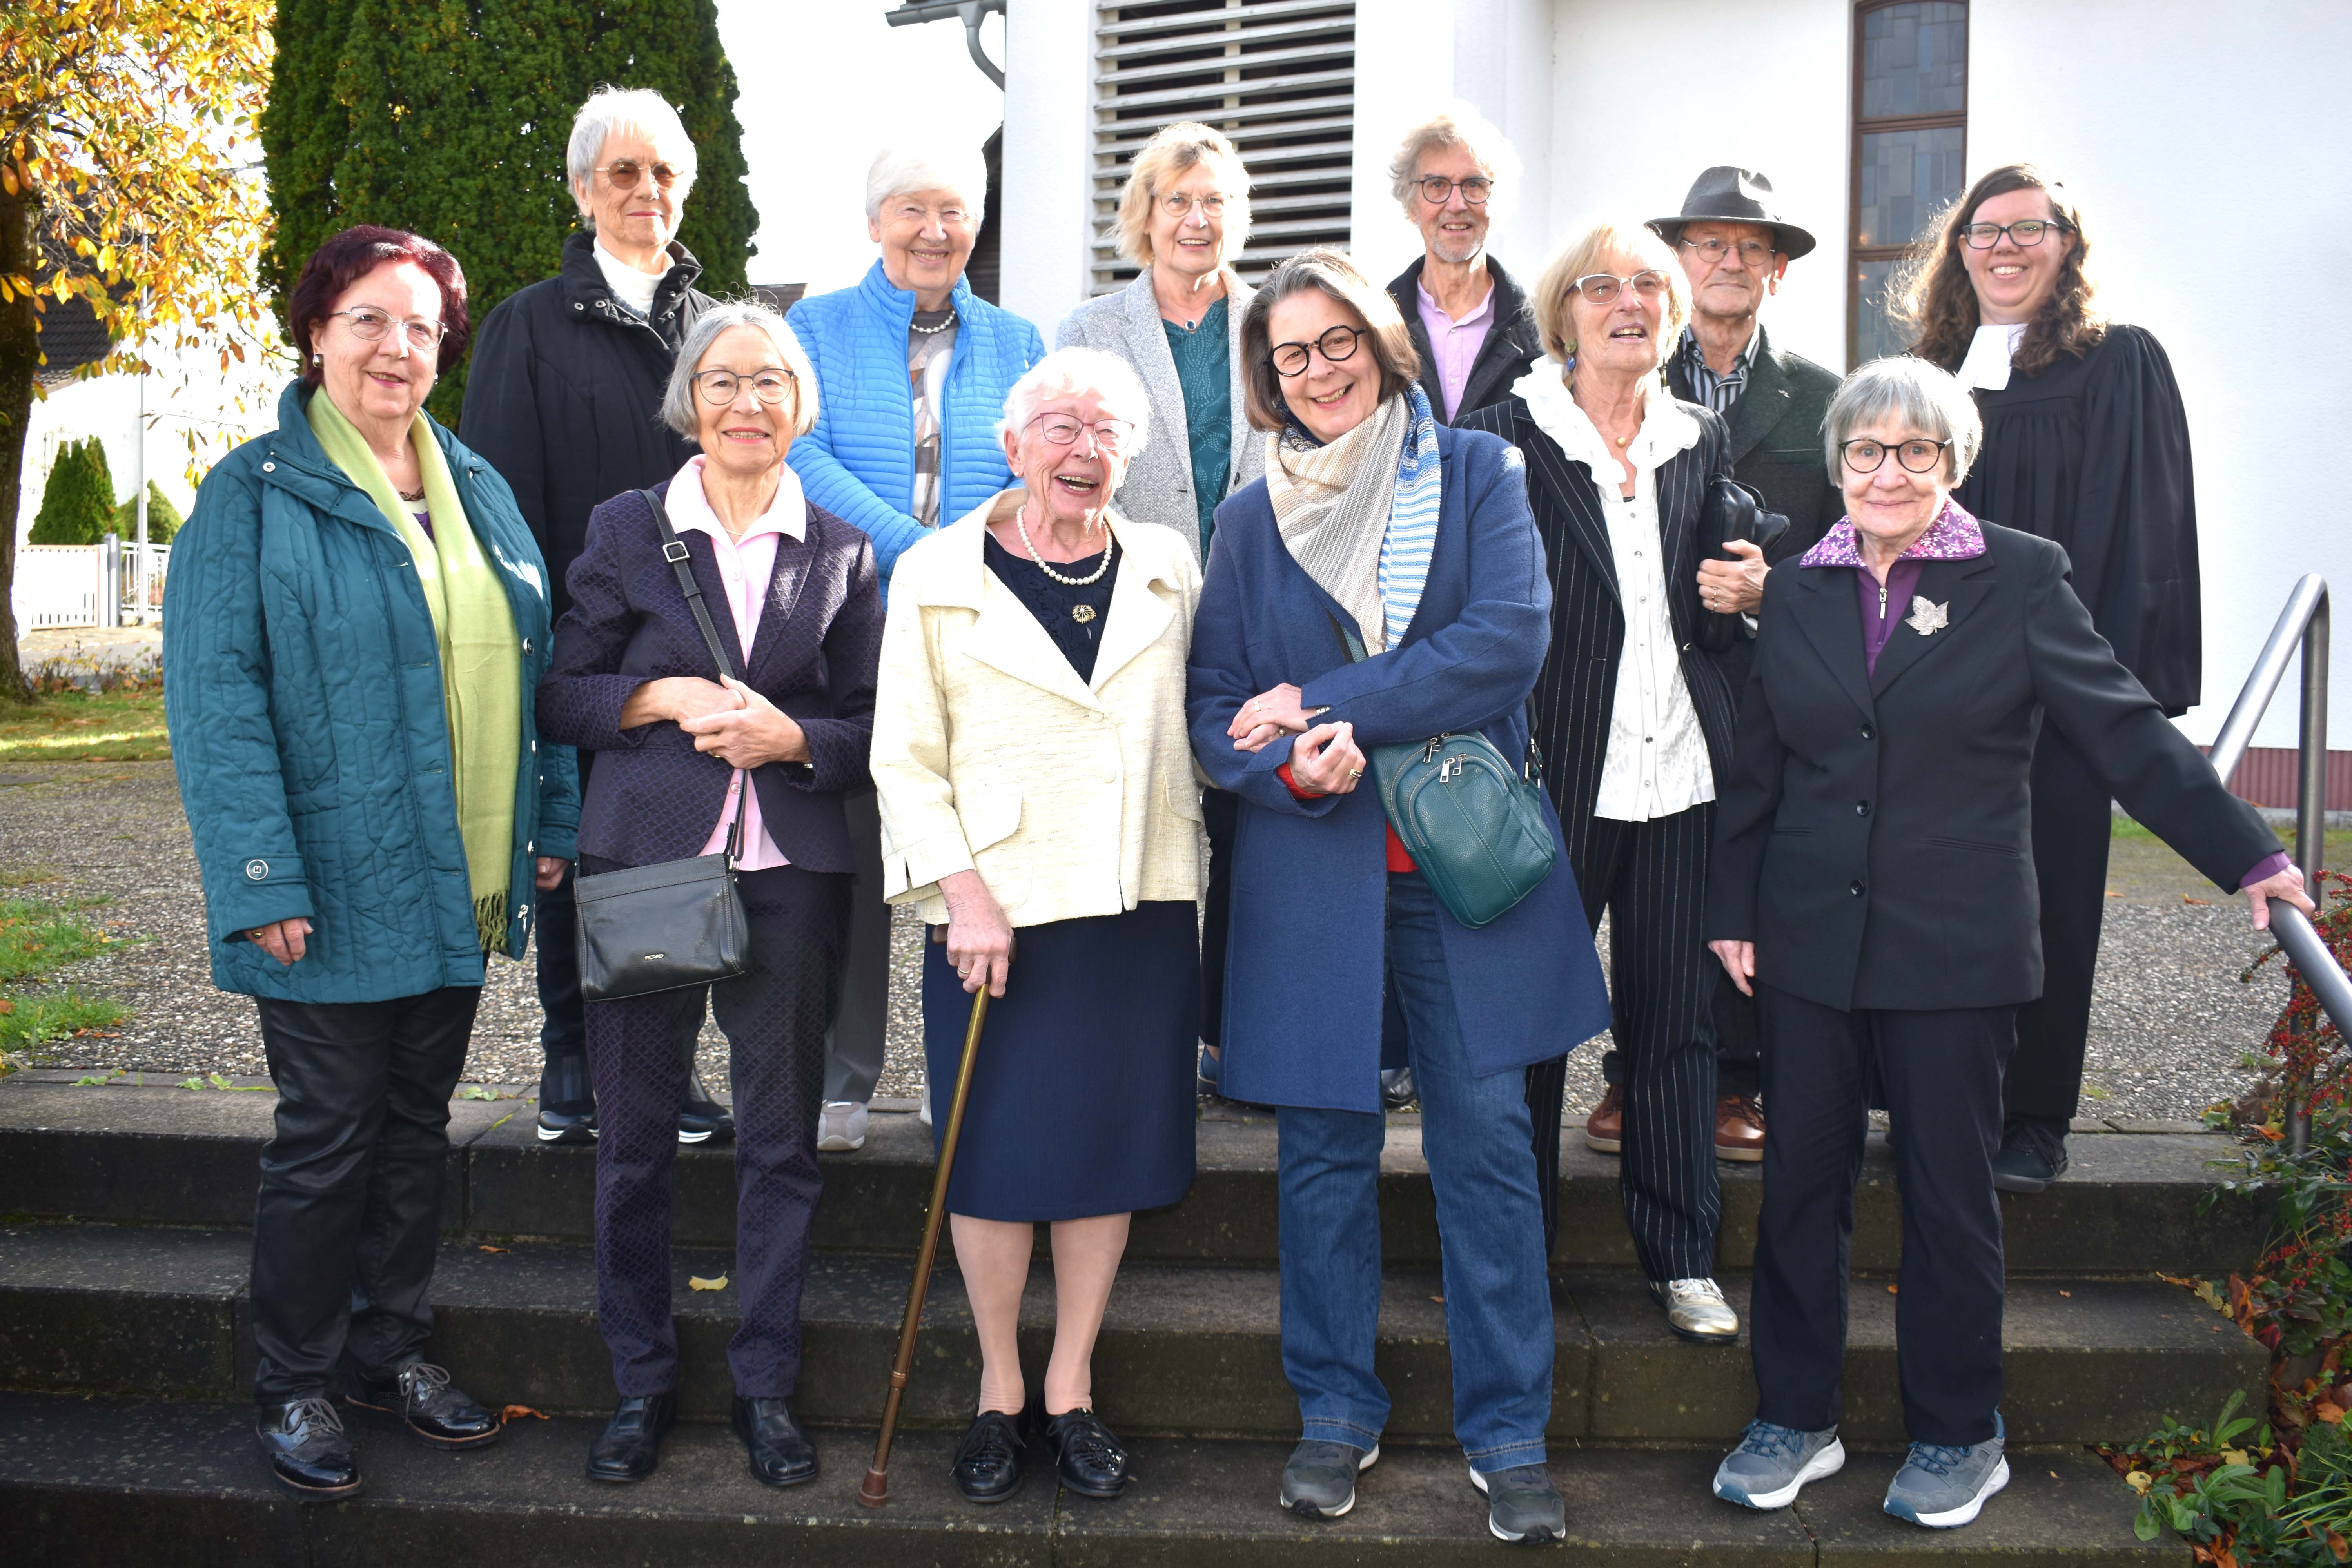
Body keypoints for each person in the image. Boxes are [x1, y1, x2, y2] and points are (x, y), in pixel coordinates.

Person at [1702, 356, 2304, 1531]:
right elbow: (1759, 767)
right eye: (1865, 449)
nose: (1886, 470)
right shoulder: (1799, 591)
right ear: (1836, 464)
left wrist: (2246, 851)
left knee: (1945, 1197)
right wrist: (1732, 906)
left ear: (1951, 464)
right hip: (1809, 935)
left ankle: (1955, 1431)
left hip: (1953, 943)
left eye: (1914, 450)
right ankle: (1793, 1415)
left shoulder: (2019, 577)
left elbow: (2123, 727)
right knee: (1796, 1193)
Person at [1188, 249, 1610, 1544]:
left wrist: (1327, 706)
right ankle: (1332, 1411)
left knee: (1487, 1150)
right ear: (1267, 377)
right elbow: (1213, 711)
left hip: (1456, 876)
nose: (1316, 370)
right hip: (1316, 877)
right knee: (1320, 1158)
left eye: (1337, 343)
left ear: (1384, 342)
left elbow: (1506, 644)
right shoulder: (1251, 517)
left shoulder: (1476, 473)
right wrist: (1292, 769)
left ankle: (1509, 1430)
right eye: (1290, 353)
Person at [164, 225, 577, 1500]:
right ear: (317, 335)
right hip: (330, 881)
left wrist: (547, 823)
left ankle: (386, 1353)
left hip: (455, 872)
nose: (397, 347)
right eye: (368, 321)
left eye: (418, 325)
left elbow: (537, 666)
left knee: (413, 1134)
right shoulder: (253, 496)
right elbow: (216, 701)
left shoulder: (475, 485)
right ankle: (293, 1376)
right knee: (328, 1140)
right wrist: (259, 878)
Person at [536, 302, 883, 1488]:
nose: (747, 404)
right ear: (690, 398)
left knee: (780, 1141)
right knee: (631, 1138)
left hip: (787, 877)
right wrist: (662, 700)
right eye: (725, 381)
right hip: (652, 864)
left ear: (800, 407)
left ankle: (764, 1386)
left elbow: (870, 723)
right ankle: (639, 1380)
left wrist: (797, 738)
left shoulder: (840, 550)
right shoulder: (629, 529)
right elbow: (563, 696)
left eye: (771, 384)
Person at [870, 347, 1201, 1505]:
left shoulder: (1165, 565)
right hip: (994, 915)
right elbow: (901, 759)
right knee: (997, 1159)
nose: (1083, 449)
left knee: (1102, 1148)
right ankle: (996, 1392)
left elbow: (1203, 718)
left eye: (1107, 430)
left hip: (1136, 899)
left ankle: (1070, 1389)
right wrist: (960, 894)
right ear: (1010, 448)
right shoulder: (935, 571)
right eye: (1059, 425)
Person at [1455, 220, 1744, 1343]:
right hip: (1548, 778)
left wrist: (1745, 590)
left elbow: (1711, 592)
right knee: (1528, 1028)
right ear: (1562, 311)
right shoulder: (1500, 437)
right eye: (1603, 286)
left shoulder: (1702, 437)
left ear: (1673, 317)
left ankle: (1679, 1255)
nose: (1629, 303)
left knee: (1676, 1027)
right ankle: (1512, 1256)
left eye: (1650, 288)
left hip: (1678, 775)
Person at [1896, 164, 2201, 1195]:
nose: (2007, 249)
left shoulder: (2121, 363)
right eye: (1986, 232)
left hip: (2064, 693)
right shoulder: (1933, 372)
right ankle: (1941, 1101)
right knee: (1935, 900)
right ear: (1959, 250)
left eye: (2032, 230)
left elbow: (2148, 531)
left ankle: (2035, 1116)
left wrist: (2111, 690)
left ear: (2068, 245)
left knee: (2051, 905)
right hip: (1944, 689)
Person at [461, 85, 726, 1148]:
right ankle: (571, 1054)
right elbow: (501, 499)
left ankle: (670, 1063)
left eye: (664, 173)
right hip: (583, 641)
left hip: (706, 639)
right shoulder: (528, 326)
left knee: (691, 850)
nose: (645, 191)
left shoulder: (720, 325)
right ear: (582, 190)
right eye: (623, 172)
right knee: (580, 843)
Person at [787, 144, 1045, 1152]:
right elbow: (801, 453)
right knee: (850, 868)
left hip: (975, 637)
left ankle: (958, 1071)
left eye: (954, 211)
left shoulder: (1019, 338)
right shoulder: (816, 327)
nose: (934, 230)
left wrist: (965, 559)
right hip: (849, 631)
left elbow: (1037, 460)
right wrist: (920, 549)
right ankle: (844, 1081)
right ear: (873, 222)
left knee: (966, 866)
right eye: (911, 209)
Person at [1054, 120, 1263, 1102]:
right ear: (1144, 216)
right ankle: (1141, 1041)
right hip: (1133, 620)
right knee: (1142, 831)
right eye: (1177, 200)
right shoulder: (1091, 332)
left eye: (1215, 200)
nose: (1196, 218)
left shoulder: (1274, 319)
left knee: (1247, 832)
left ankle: (1233, 1034)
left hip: (1261, 622)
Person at [1648, 165, 1846, 1163]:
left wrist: (1778, 590)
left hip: (1772, 678)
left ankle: (1734, 1080)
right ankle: (1636, 1074)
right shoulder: (1631, 368)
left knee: (1753, 872)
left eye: (1749, 248)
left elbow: (1858, 544)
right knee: (1656, 876)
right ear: (1677, 263)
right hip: (1649, 670)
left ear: (1776, 271)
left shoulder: (1823, 398)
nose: (1728, 262)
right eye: (1708, 244)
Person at [1382, 104, 1542, 426]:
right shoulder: (1375, 325)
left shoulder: (1541, 328)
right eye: (1437, 185)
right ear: (1411, 205)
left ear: (1495, 204)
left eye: (1474, 185)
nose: (1456, 204)